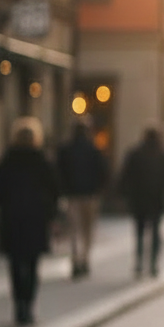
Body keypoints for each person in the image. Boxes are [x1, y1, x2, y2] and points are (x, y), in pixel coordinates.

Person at [0, 117, 60, 326]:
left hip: (12, 218)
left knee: (14, 263)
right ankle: (28, 305)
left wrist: (5, 203)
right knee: (32, 263)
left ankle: (18, 305)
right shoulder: (42, 160)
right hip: (36, 219)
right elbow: (55, 189)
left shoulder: (7, 160)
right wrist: (51, 212)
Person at [56, 116, 108, 278]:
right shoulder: (94, 149)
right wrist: (99, 190)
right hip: (90, 195)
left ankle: (76, 259)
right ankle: (85, 259)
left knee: (74, 230)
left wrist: (62, 191)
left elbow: (59, 173)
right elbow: (103, 172)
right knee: (88, 230)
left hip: (72, 195)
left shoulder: (65, 150)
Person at [119, 126, 164, 278]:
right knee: (155, 232)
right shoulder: (163, 154)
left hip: (139, 199)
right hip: (156, 199)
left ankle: (139, 262)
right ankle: (153, 264)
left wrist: (124, 194)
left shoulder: (135, 153)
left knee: (139, 232)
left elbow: (126, 176)